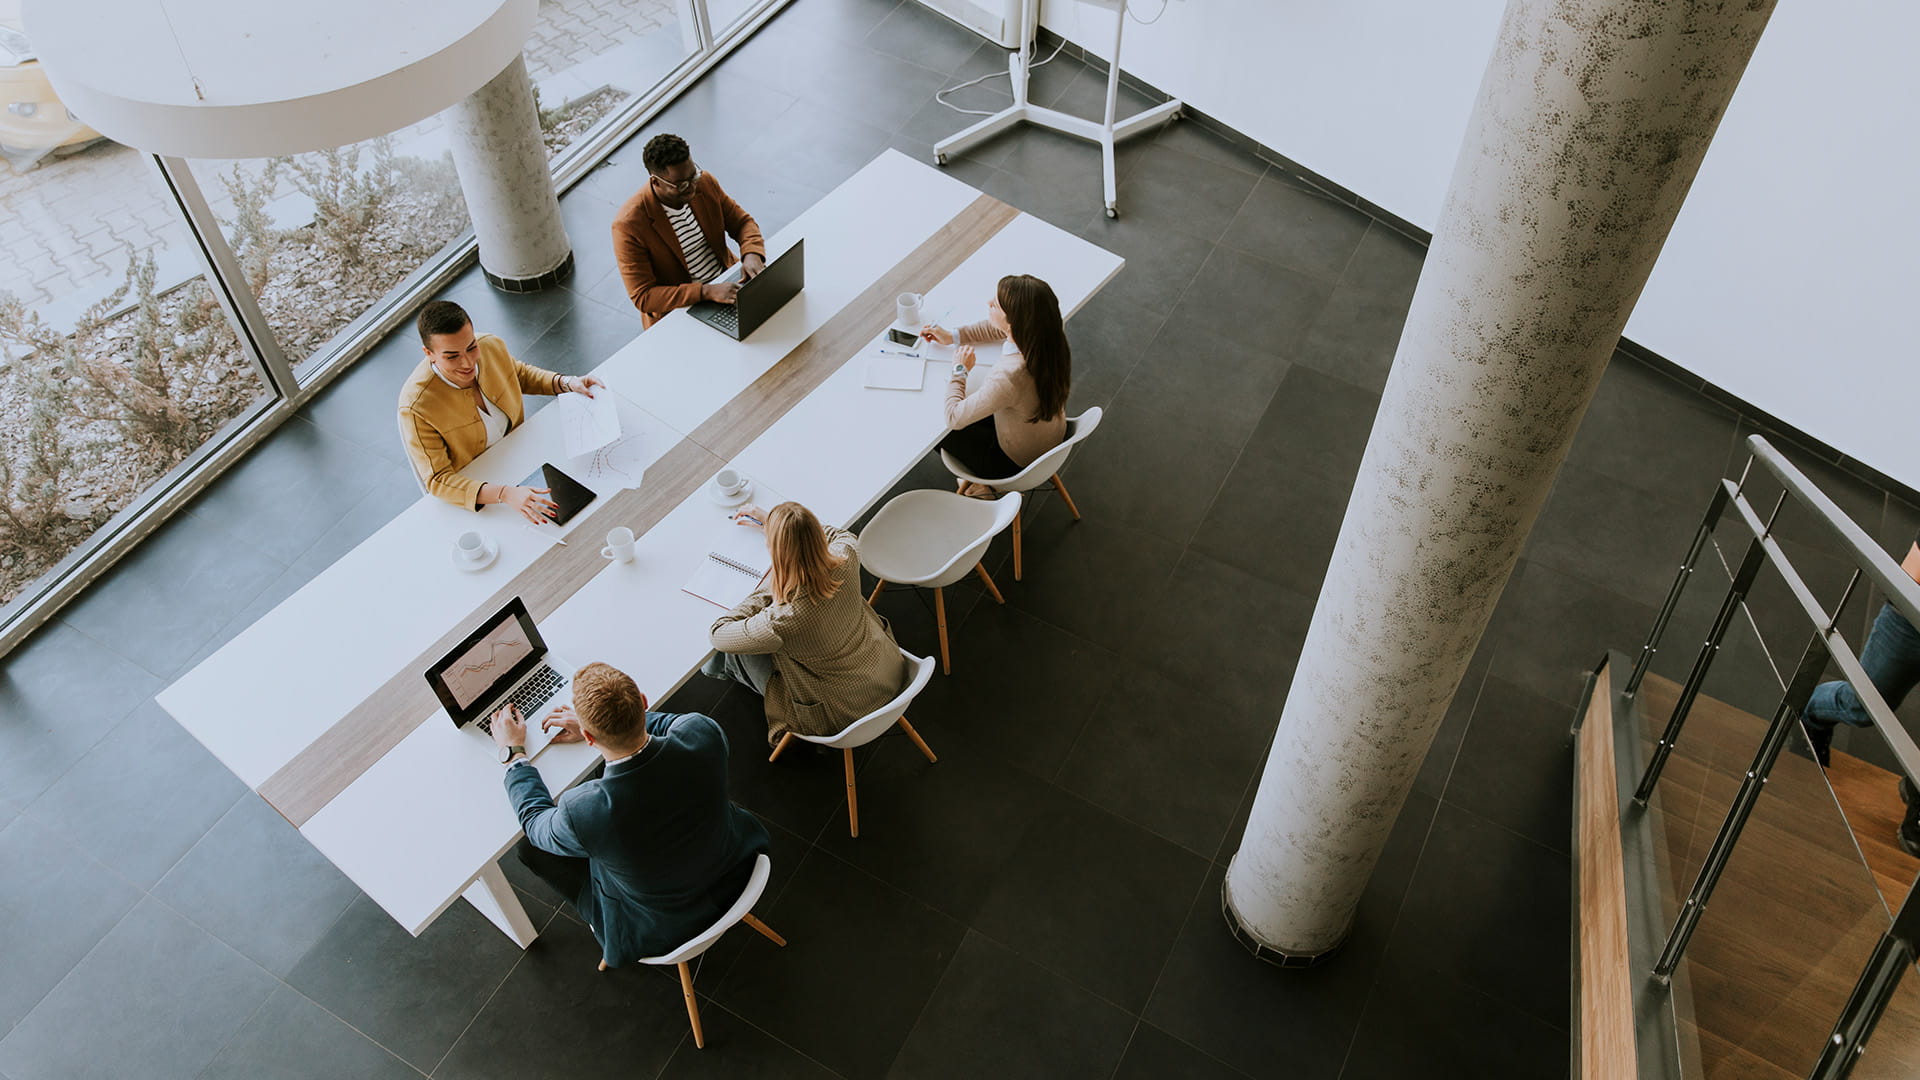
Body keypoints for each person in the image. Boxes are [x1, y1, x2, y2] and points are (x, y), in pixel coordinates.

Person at [490, 661, 770, 967]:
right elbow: (665, 726)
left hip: (661, 926)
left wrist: (513, 754)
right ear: (644, 703)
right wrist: (618, 724)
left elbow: (534, 822)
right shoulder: (702, 733)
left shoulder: (585, 810)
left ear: (588, 737)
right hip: (734, 869)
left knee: (529, 848)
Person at [703, 501, 909, 748]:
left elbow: (719, 633)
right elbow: (837, 533)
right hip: (885, 671)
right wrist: (781, 526)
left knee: (731, 654)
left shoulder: (782, 620)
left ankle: (716, 676)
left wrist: (770, 588)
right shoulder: (847, 554)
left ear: (778, 555)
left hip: (842, 712)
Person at [398, 300, 603, 522]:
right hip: (482, 487)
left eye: (471, 347)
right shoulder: (415, 407)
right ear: (429, 353)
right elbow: (438, 480)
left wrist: (565, 383)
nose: (467, 362)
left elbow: (520, 375)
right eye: (452, 356)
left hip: (523, 455)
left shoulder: (490, 345)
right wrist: (504, 494)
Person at [1800, 529, 1920, 854]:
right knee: (1862, 708)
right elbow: (1915, 572)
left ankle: (1917, 800)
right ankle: (1809, 714)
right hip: (1911, 619)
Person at [920, 274, 1072, 498]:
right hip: (1049, 438)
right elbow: (999, 329)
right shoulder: (1047, 338)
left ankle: (986, 488)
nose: (989, 303)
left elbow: (954, 417)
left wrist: (960, 370)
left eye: (996, 305)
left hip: (1012, 463)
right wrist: (953, 336)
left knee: (934, 427)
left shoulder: (1009, 376)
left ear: (1015, 321)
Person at [612, 133, 766, 328]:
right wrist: (706, 292)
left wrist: (751, 252)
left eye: (693, 175)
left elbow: (742, 223)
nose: (692, 187)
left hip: (728, 283)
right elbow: (644, 296)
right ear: (656, 182)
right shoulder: (628, 225)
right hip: (682, 308)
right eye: (681, 184)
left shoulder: (704, 183)